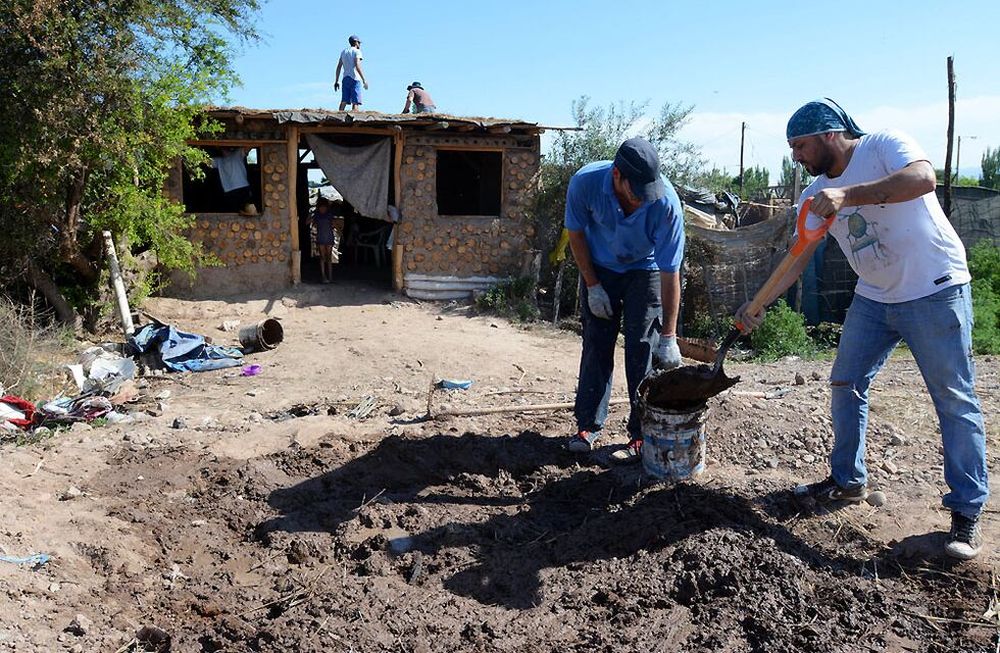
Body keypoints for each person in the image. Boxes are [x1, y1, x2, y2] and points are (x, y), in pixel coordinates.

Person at [735, 98, 989, 560]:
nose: (796, 156)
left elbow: (923, 179)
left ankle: (965, 514)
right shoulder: (814, 194)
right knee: (846, 382)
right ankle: (847, 482)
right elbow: (798, 254)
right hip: (874, 297)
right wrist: (757, 305)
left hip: (935, 288)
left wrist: (849, 196)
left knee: (953, 399)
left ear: (830, 134)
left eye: (801, 145)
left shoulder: (884, 146)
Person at [564, 137, 685, 464]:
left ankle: (640, 435)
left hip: (644, 270)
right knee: (596, 345)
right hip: (599, 268)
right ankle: (587, 427)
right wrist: (592, 285)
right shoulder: (585, 183)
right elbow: (575, 233)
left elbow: (670, 271)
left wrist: (670, 337)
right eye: (637, 193)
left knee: (643, 349)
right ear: (617, 175)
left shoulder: (666, 203)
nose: (644, 201)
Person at [210, 147, 256, 215]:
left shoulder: (237, 153)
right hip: (229, 190)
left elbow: (248, 146)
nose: (224, 150)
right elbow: (204, 160)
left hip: (242, 187)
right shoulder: (219, 161)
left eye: (226, 148)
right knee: (234, 212)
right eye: (222, 148)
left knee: (249, 209)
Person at [334, 35, 368, 111]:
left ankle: (338, 118)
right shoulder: (357, 51)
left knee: (344, 101)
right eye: (359, 42)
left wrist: (336, 81)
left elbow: (339, 67)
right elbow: (357, 65)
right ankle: (354, 119)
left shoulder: (344, 52)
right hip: (355, 78)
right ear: (356, 42)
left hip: (345, 78)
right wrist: (364, 79)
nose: (359, 44)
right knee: (355, 102)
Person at [310, 197, 338, 283]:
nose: (323, 208)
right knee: (322, 257)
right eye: (321, 207)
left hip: (328, 237)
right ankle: (324, 277)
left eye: (324, 207)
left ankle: (330, 277)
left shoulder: (328, 215)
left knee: (329, 258)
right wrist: (311, 216)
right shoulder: (317, 215)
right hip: (322, 237)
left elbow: (334, 224)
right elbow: (308, 222)